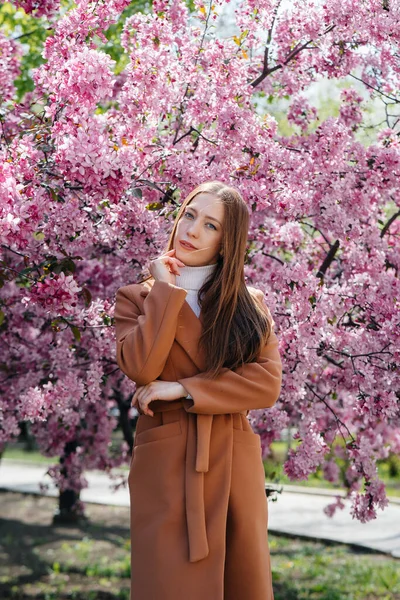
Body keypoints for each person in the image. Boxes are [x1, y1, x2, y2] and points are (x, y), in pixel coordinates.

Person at [114, 180, 283, 600]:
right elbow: (140, 367)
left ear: (226, 243)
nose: (191, 230)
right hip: (168, 466)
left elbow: (266, 383)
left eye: (210, 225)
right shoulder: (138, 297)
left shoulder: (249, 304)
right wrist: (167, 293)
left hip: (233, 463)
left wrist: (182, 388)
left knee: (240, 583)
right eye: (189, 214)